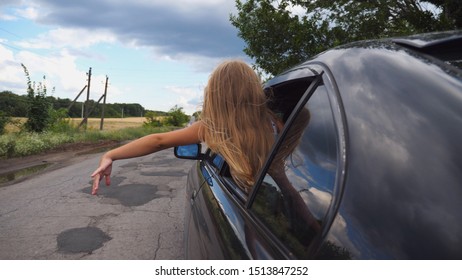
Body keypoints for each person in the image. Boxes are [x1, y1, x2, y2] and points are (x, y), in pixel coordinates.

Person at [91, 60, 277, 195]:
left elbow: (158, 141)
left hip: (250, 198)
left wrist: (110, 155)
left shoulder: (212, 128)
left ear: (215, 95)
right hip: (275, 192)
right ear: (254, 90)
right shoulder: (276, 123)